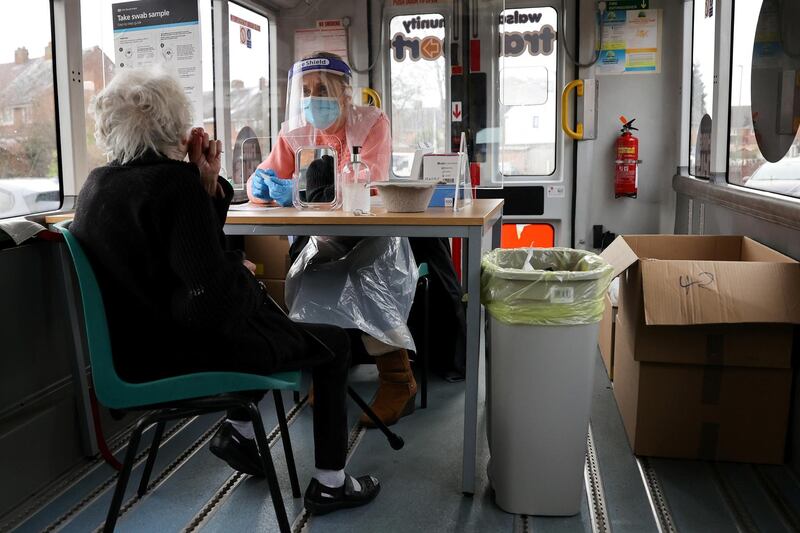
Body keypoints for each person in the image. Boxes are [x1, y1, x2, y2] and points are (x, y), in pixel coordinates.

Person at [71, 65, 379, 515]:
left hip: (133, 352)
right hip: (176, 352)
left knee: (260, 328)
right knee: (332, 342)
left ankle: (240, 433)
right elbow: (210, 305)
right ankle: (330, 482)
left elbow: (177, 254)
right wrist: (240, 273)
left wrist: (208, 189)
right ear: (177, 127)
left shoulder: (97, 185)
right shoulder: (173, 185)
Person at [246, 52, 418, 427]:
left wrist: (303, 187)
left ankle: (397, 380)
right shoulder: (294, 132)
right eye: (305, 90)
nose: (312, 99)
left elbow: (366, 179)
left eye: (321, 89)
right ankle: (328, 371)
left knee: (364, 274)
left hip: (373, 232)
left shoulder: (371, 123)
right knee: (309, 273)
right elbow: (265, 178)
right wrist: (259, 186)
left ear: (344, 92)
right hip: (325, 235)